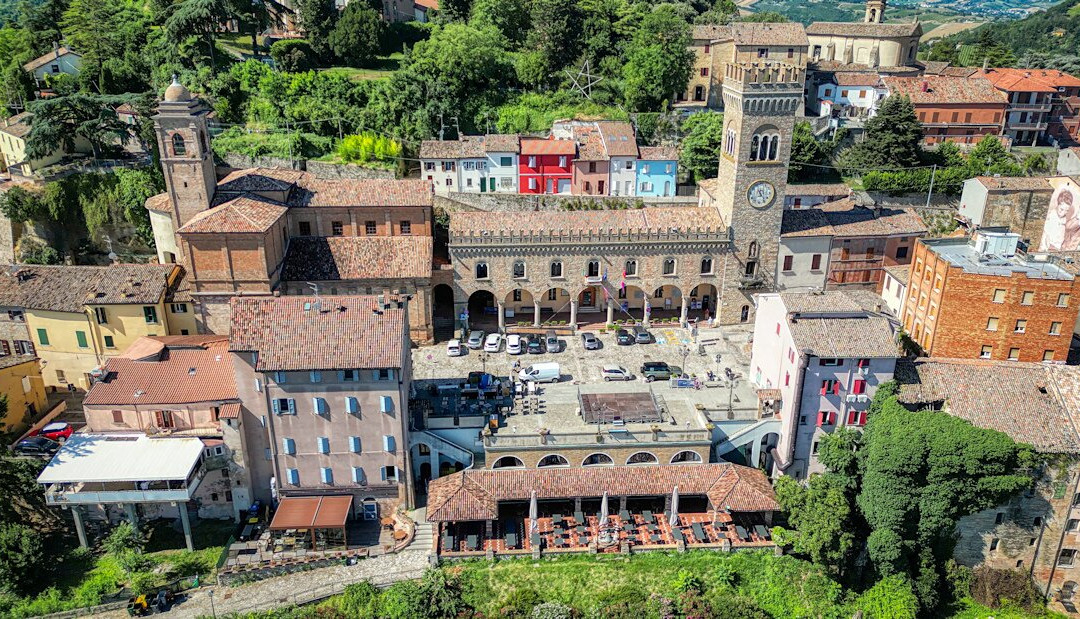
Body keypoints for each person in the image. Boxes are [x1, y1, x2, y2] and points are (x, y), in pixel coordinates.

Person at [1041, 187, 1080, 251]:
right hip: (1050, 245)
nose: (1063, 213)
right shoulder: (1051, 216)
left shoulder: (1064, 218)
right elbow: (1046, 233)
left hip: (1059, 246)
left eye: (1066, 210)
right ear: (1058, 204)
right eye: (1061, 209)